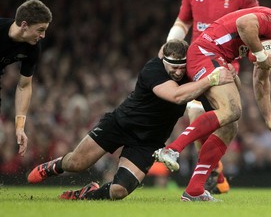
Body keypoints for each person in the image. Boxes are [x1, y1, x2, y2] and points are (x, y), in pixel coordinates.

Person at [27, 39, 235, 200]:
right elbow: (177, 95)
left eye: (183, 66)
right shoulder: (152, 69)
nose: (178, 71)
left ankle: (85, 194)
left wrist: (229, 78)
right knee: (77, 163)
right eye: (173, 66)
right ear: (164, 60)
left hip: (148, 142)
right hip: (120, 124)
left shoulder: (191, 76)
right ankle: (54, 166)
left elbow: (217, 104)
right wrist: (211, 79)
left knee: (119, 191)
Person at [153, 4, 271, 201]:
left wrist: (269, 118)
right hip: (206, 53)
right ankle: (172, 150)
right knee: (232, 109)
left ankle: (194, 189)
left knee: (230, 127)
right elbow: (244, 24)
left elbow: (261, 81)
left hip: (217, 59)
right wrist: (260, 55)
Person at [158, 0, 259, 194]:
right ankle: (215, 173)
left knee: (227, 120)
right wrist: (170, 45)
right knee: (196, 120)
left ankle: (210, 173)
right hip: (197, 62)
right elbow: (183, 21)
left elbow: (256, 25)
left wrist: (258, 54)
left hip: (227, 66)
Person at [0, 0, 52, 157]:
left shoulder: (33, 47)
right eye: (40, 29)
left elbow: (24, 86)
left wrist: (19, 127)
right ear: (24, 25)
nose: (43, 36)